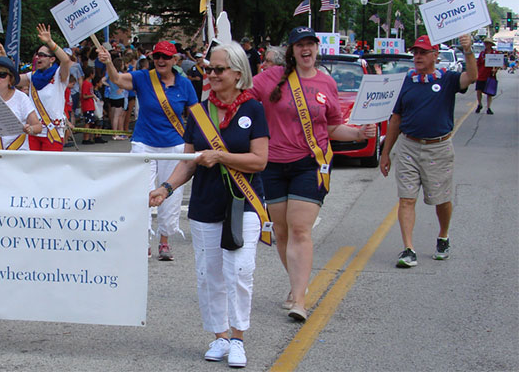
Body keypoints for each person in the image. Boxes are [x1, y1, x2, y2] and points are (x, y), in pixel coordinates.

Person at [149, 42, 268, 368]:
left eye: (218, 69)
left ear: (238, 73)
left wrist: (221, 156)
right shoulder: (199, 113)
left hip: (242, 204)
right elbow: (189, 161)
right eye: (209, 69)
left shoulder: (253, 110)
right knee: (209, 274)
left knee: (239, 271)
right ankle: (219, 336)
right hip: (204, 204)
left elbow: (259, 160)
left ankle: (238, 337)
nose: (211, 74)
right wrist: (166, 187)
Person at [249, 27, 375, 321]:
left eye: (310, 44)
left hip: (310, 164)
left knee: (300, 230)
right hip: (274, 165)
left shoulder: (327, 83)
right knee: (281, 232)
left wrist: (357, 132)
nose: (306, 49)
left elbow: (332, 128)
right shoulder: (270, 78)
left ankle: (300, 301)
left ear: (317, 49)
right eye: (300, 45)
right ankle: (296, 285)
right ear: (291, 50)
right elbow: (239, 94)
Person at [379, 34, 477, 268]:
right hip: (409, 147)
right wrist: (385, 153)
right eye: (415, 53)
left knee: (441, 200)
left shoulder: (447, 79)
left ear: (435, 55)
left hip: (438, 148)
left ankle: (443, 236)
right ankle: (408, 249)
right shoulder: (407, 81)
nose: (418, 57)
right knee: (406, 199)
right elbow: (396, 118)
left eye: (423, 52)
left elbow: (472, 76)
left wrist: (468, 50)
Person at [99, 40, 199, 261]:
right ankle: (142, 242)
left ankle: (164, 242)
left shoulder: (184, 85)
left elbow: (195, 116)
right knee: (140, 194)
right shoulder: (143, 77)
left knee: (170, 195)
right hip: (144, 144)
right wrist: (108, 63)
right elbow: (116, 79)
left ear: (175, 60)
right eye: (157, 56)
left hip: (174, 146)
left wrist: (198, 142)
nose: (161, 61)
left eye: (165, 57)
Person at [15, 24, 72, 151]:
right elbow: (13, 80)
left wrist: (50, 42)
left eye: (41, 55)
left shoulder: (59, 75)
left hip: (53, 132)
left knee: (50, 169)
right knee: (33, 168)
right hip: (34, 130)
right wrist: (4, 61)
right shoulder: (32, 76)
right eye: (36, 55)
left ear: (52, 59)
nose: (37, 57)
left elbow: (66, 61)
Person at [0, 56, 41, 151]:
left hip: (16, 153)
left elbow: (38, 127)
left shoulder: (21, 98)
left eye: (2, 75)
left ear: (10, 78)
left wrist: (30, 129)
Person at [475, 37, 498, 114]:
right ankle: (480, 104)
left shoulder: (495, 53)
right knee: (478, 90)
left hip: (490, 75)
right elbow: (478, 64)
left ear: (491, 44)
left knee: (489, 92)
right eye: (485, 43)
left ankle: (488, 107)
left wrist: (495, 70)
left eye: (488, 43)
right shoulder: (482, 54)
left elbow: (498, 63)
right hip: (481, 75)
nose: (486, 45)